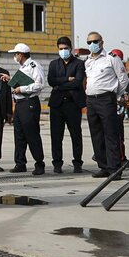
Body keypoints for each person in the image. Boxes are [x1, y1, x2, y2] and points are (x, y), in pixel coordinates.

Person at [84, 32, 129, 179]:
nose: (92, 45)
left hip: (106, 99)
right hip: (91, 100)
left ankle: (115, 169)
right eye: (89, 42)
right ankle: (103, 166)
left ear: (101, 42)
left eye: (95, 41)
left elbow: (124, 79)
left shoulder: (111, 58)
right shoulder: (88, 60)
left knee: (110, 134)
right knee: (96, 135)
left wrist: (115, 95)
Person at [2, 43, 46, 175]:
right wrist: (11, 80)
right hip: (20, 104)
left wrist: (21, 89)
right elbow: (25, 81)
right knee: (19, 134)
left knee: (32, 134)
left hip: (29, 103)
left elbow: (39, 84)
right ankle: (20, 163)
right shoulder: (23, 67)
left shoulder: (34, 66)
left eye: (16, 54)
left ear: (20, 55)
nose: (15, 57)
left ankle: (39, 163)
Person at [47, 37, 85, 174]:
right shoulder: (53, 64)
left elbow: (78, 82)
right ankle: (57, 164)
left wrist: (60, 84)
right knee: (56, 136)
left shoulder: (79, 64)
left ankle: (78, 163)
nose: (63, 51)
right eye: (60, 49)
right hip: (57, 105)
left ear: (70, 48)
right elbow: (51, 81)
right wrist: (67, 79)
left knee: (76, 134)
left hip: (73, 104)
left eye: (65, 48)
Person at [109, 49, 129, 168]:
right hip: (111, 108)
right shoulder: (109, 76)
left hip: (118, 110)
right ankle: (120, 158)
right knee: (116, 135)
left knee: (118, 135)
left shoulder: (121, 76)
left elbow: (125, 89)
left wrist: (125, 97)